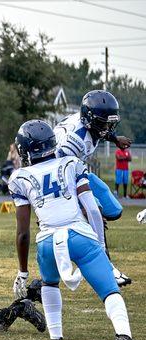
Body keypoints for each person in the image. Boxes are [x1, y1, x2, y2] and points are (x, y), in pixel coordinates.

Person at [10, 119, 145, 340]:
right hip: (79, 235)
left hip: (47, 242)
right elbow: (92, 210)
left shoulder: (19, 177)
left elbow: (22, 232)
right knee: (109, 290)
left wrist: (22, 271)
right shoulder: (72, 163)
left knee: (50, 285)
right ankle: (123, 335)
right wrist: (100, 246)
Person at [54, 90, 132, 286]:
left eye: (109, 123)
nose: (107, 127)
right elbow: (62, 175)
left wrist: (115, 138)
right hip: (61, 177)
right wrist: (82, 207)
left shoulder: (91, 125)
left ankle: (81, 231)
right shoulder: (74, 139)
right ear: (89, 120)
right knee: (94, 209)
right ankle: (106, 265)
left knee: (114, 210)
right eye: (103, 123)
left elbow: (100, 129)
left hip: (78, 170)